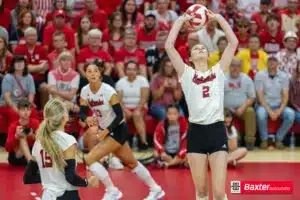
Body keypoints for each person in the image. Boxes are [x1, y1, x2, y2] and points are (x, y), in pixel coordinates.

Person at [165, 9, 238, 200]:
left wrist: (219, 18)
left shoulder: (219, 71)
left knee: (220, 192)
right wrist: (181, 21)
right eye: (195, 48)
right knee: (202, 191)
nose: (199, 49)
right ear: (189, 57)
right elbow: (169, 46)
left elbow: (233, 43)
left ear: (208, 54)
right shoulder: (186, 73)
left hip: (216, 130)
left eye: (202, 48)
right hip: (196, 132)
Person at [79, 60, 165, 200]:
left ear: (100, 73)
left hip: (117, 129)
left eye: (95, 71)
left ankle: (112, 190)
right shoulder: (85, 91)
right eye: (89, 71)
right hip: (106, 129)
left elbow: (119, 116)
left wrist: (105, 131)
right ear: (85, 74)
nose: (92, 74)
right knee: (131, 163)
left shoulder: (108, 91)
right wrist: (86, 119)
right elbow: (82, 113)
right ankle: (156, 189)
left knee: (89, 158)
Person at [23, 98, 99, 200]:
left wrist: (50, 178)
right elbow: (70, 177)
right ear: (64, 116)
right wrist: (87, 182)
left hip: (47, 196)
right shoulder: (68, 140)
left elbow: (28, 178)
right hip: (66, 196)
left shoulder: (38, 142)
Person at [153, 103, 188, 168]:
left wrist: (179, 155)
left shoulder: (184, 124)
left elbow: (185, 144)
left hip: (179, 152)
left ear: (178, 114)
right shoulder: (161, 125)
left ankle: (168, 164)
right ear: (166, 114)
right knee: (155, 154)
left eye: (174, 114)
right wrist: (162, 152)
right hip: (167, 153)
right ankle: (176, 163)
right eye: (169, 114)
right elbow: (156, 140)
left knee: (188, 156)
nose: (172, 116)